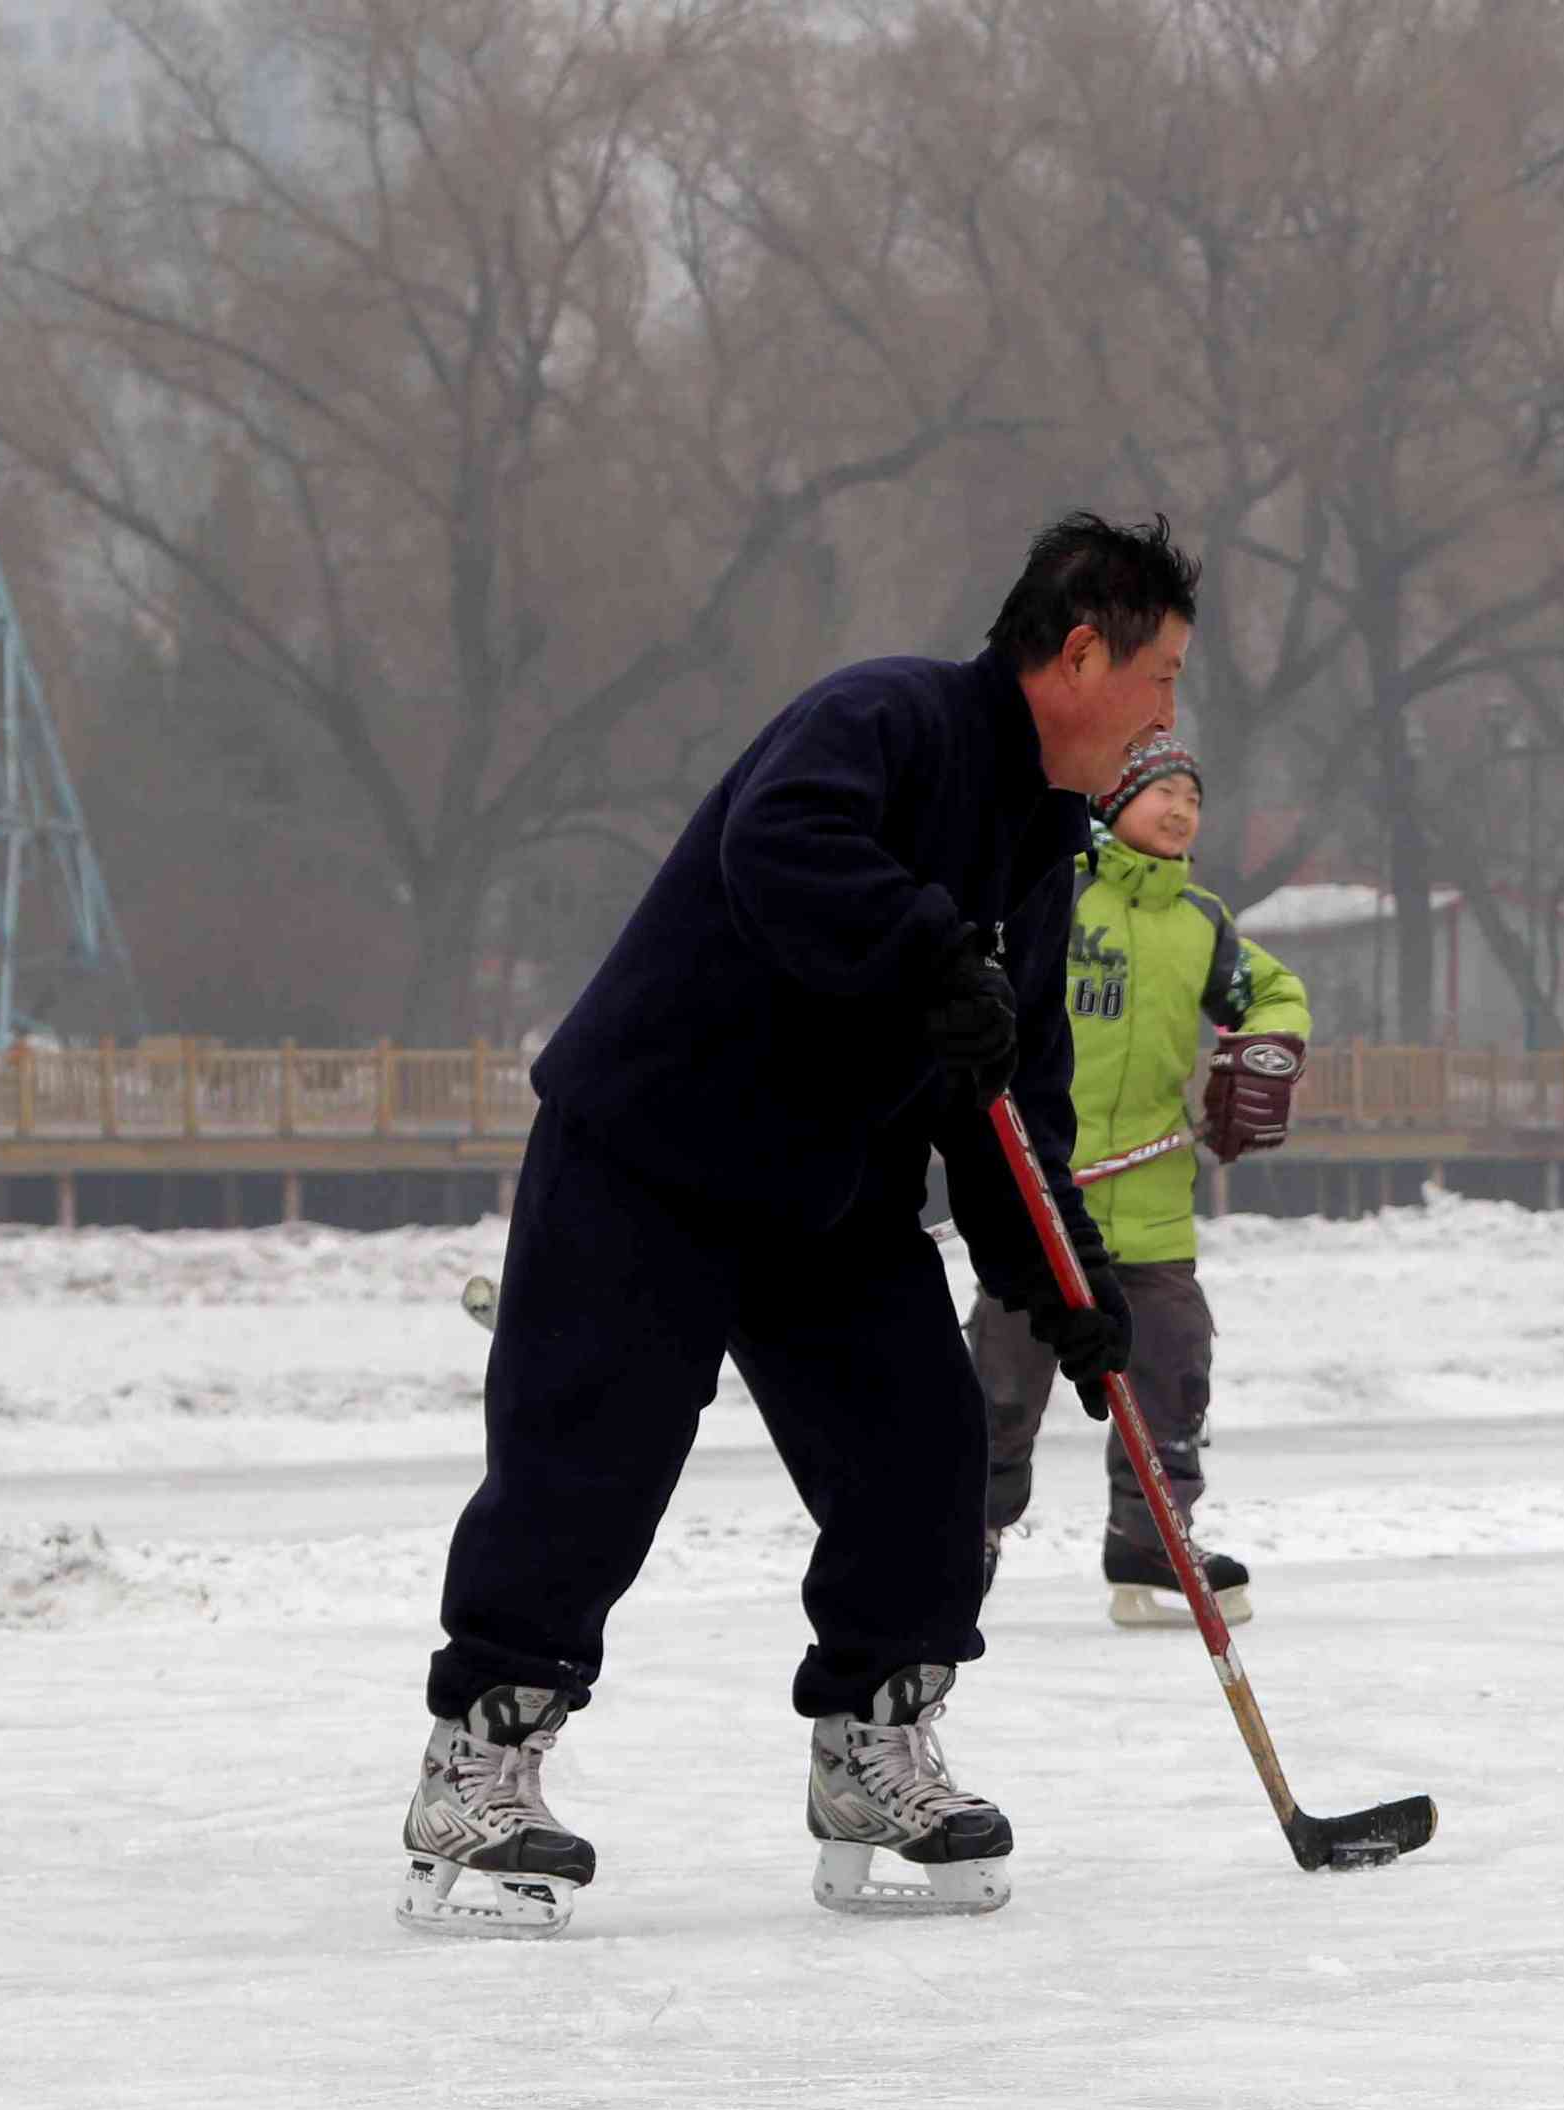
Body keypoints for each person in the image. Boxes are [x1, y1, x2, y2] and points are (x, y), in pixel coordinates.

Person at [397, 512, 1197, 1937]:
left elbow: (1015, 1095)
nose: (1164, 717)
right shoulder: (886, 717)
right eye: (1161, 680)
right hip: (651, 1147)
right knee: (591, 1460)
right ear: (1081, 654)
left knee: (927, 1453)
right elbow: (782, 848)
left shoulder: (1043, 846)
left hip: (827, 1190)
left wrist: (1059, 1277)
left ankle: (871, 1750)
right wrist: (922, 950)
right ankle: (482, 1761)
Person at [966, 732, 1308, 1630]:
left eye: (1193, 798)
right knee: (1003, 1380)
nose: (1182, 811)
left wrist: (1264, 1054)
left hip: (1152, 1208)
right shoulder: (1058, 894)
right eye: (1163, 793)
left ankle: (1152, 1539)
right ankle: (970, 1534)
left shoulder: (1200, 921)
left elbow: (1273, 996)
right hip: (1039, 1191)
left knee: (1173, 1367)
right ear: (1113, 803)